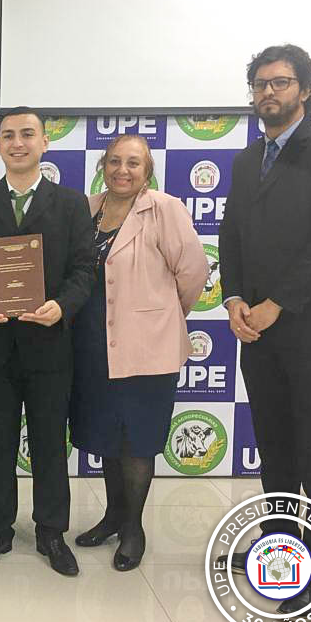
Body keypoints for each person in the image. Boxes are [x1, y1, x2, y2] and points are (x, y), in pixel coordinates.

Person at [220, 44, 311, 615]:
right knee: (275, 449)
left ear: (304, 89)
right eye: (259, 84)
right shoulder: (243, 159)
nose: (268, 94)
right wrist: (234, 300)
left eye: (280, 83)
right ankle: (283, 551)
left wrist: (276, 304)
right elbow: (231, 236)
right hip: (256, 328)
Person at [0, 107, 94, 576]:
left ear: (44, 143)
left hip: (50, 345)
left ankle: (51, 532)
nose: (18, 142)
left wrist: (63, 305)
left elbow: (83, 270)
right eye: (8, 135)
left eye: (27, 134)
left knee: (50, 444)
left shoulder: (72, 203)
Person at [69, 135, 208, 571]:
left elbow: (193, 272)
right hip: (92, 345)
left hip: (147, 346)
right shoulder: (86, 208)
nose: (122, 170)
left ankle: (133, 529)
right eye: (114, 162)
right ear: (102, 167)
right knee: (107, 436)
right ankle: (112, 516)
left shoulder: (164, 208)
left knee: (137, 440)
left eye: (133, 163)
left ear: (147, 171)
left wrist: (160, 316)